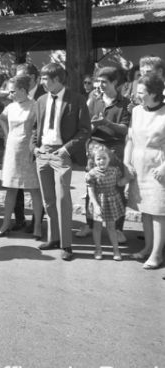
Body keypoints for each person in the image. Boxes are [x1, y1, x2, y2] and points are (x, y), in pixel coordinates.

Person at [32, 63, 90, 261]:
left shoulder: (77, 99)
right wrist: (34, 148)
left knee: (63, 199)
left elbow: (85, 130)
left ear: (56, 79)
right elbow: (35, 128)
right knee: (48, 200)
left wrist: (66, 149)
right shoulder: (40, 100)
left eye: (44, 79)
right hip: (43, 154)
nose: (41, 82)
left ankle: (67, 245)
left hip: (62, 153)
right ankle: (54, 238)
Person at [77, 66, 130, 242]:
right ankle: (90, 224)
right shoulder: (94, 100)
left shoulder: (125, 103)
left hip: (115, 149)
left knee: (116, 188)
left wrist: (106, 123)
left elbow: (125, 129)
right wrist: (93, 127)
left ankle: (118, 228)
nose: (100, 85)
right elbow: (86, 126)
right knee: (91, 186)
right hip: (95, 147)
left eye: (104, 82)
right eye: (98, 81)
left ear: (115, 82)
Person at [0, 76, 43, 239]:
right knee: (11, 188)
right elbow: (1, 118)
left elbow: (40, 128)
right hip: (12, 150)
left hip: (29, 151)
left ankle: (37, 226)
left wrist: (35, 145)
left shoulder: (35, 105)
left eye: (12, 91)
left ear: (23, 90)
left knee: (34, 189)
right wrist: (7, 134)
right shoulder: (11, 107)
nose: (10, 94)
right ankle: (5, 224)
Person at [124, 73, 165, 270]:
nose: (136, 95)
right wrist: (126, 162)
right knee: (146, 211)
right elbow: (130, 139)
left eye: (141, 92)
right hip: (139, 167)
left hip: (158, 169)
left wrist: (164, 167)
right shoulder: (137, 111)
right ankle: (148, 247)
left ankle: (157, 254)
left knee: (158, 212)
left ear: (154, 93)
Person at [12, 63, 46, 232]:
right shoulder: (16, 92)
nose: (16, 80)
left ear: (32, 78)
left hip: (36, 147)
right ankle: (19, 219)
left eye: (20, 77)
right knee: (16, 184)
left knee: (36, 187)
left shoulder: (43, 95)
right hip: (18, 146)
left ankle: (36, 222)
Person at [86, 145, 127, 261]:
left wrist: (128, 178)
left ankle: (116, 250)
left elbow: (119, 183)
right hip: (98, 202)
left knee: (111, 227)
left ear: (109, 158)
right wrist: (95, 205)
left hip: (111, 201)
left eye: (104, 158)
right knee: (97, 227)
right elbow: (90, 191)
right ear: (94, 160)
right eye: (98, 159)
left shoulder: (115, 171)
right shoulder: (91, 174)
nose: (101, 161)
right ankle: (98, 249)